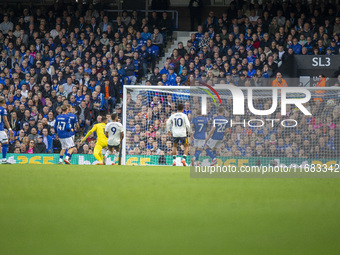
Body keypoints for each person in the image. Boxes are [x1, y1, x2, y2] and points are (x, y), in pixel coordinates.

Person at [0, 96, 14, 164]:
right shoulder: (3, 109)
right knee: (5, 143)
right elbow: (5, 120)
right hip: (0, 130)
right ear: (3, 102)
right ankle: (4, 159)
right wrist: (10, 129)